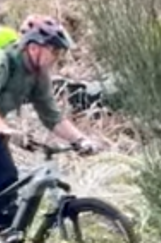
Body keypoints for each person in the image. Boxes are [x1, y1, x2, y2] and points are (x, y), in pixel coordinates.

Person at [0, 17, 98, 235]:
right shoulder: (4, 62)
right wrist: (6, 129)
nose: (57, 57)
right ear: (34, 48)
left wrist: (80, 139)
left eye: (59, 52)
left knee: (8, 192)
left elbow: (52, 116)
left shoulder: (38, 76)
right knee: (6, 177)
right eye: (54, 50)